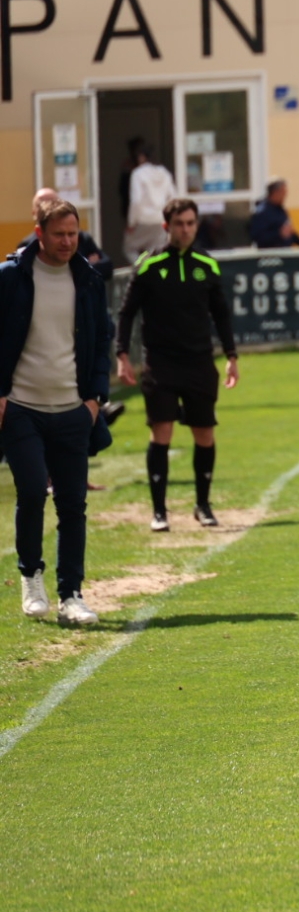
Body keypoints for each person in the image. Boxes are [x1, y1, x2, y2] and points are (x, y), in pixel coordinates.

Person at [1, 199, 110, 627]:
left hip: (72, 410)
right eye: (59, 234)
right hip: (21, 407)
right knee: (31, 491)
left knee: (72, 504)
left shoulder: (89, 279)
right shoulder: (11, 277)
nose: (67, 242)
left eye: (73, 233)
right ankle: (31, 576)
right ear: (39, 233)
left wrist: (94, 400)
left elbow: (100, 340)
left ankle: (72, 595)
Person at [115, 198, 239, 532]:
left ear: (196, 225)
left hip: (199, 362)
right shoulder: (148, 265)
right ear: (166, 226)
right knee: (162, 431)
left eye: (190, 223)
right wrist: (122, 354)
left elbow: (221, 314)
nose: (185, 229)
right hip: (161, 364)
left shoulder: (207, 265)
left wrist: (231, 356)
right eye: (179, 224)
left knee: (204, 433)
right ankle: (159, 512)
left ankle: (203, 505)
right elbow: (127, 313)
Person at [126, 144, 177, 260]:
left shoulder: (138, 173)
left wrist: (131, 223)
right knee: (155, 251)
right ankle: (152, 270)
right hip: (161, 219)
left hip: (144, 219)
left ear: (142, 157)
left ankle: (141, 269)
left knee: (129, 248)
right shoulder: (164, 173)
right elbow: (173, 197)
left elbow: (136, 201)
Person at [248, 179, 299, 249]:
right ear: (276, 193)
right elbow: (258, 237)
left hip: (285, 251)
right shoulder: (263, 212)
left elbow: (289, 232)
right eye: (283, 194)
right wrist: (278, 234)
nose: (284, 197)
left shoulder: (280, 210)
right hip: (270, 253)